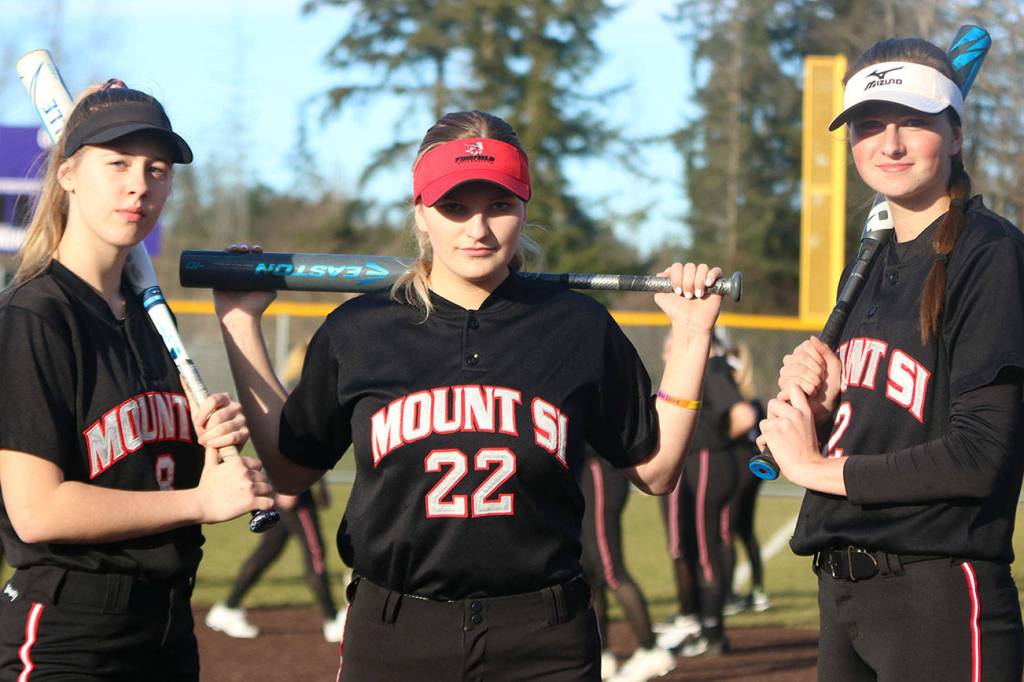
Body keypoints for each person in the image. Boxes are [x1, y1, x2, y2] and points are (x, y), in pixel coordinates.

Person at [213, 109, 727, 680]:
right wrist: (240, 323)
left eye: (499, 206)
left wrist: (691, 336)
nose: (476, 231)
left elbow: (655, 473)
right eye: (454, 208)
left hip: (544, 637)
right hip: (395, 632)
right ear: (421, 213)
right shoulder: (359, 330)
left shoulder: (578, 327)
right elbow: (288, 471)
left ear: (525, 207)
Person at [760, 37, 1024, 681]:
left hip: (937, 595)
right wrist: (822, 413)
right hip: (844, 595)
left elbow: (979, 456)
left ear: (956, 136)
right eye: (870, 126)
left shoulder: (990, 254)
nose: (891, 144)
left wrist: (816, 468)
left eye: (915, 122)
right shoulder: (873, 263)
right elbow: (888, 428)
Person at [0, 81, 274, 681]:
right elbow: (37, 510)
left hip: (168, 626)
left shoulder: (152, 319)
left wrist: (211, 455)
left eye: (157, 169)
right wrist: (201, 502)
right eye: (117, 163)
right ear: (67, 173)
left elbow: (148, 481)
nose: (139, 185)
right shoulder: (35, 316)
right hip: (70, 636)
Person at [206, 341, 348, 643]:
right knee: (315, 552)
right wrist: (289, 487)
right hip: (292, 488)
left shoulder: (299, 384)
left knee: (269, 551)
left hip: (293, 484)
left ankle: (228, 607)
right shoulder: (300, 386)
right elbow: (295, 440)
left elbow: (313, 443)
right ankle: (331, 617)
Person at [658, 331, 756, 657]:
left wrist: (715, 440)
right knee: (705, 544)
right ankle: (703, 624)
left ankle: (710, 630)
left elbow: (744, 416)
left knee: (702, 550)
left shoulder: (709, 368)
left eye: (671, 345)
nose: (665, 352)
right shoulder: (707, 369)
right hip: (708, 464)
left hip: (707, 464)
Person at [578, 449, 675, 681]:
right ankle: (602, 654)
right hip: (582, 470)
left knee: (611, 569)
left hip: (598, 466)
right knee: (587, 571)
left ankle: (650, 650)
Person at [720, 342, 770, 615]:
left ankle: (728, 594)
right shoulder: (750, 400)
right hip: (749, 471)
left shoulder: (742, 401)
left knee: (728, 527)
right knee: (743, 529)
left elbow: (740, 428)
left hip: (740, 470)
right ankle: (757, 590)